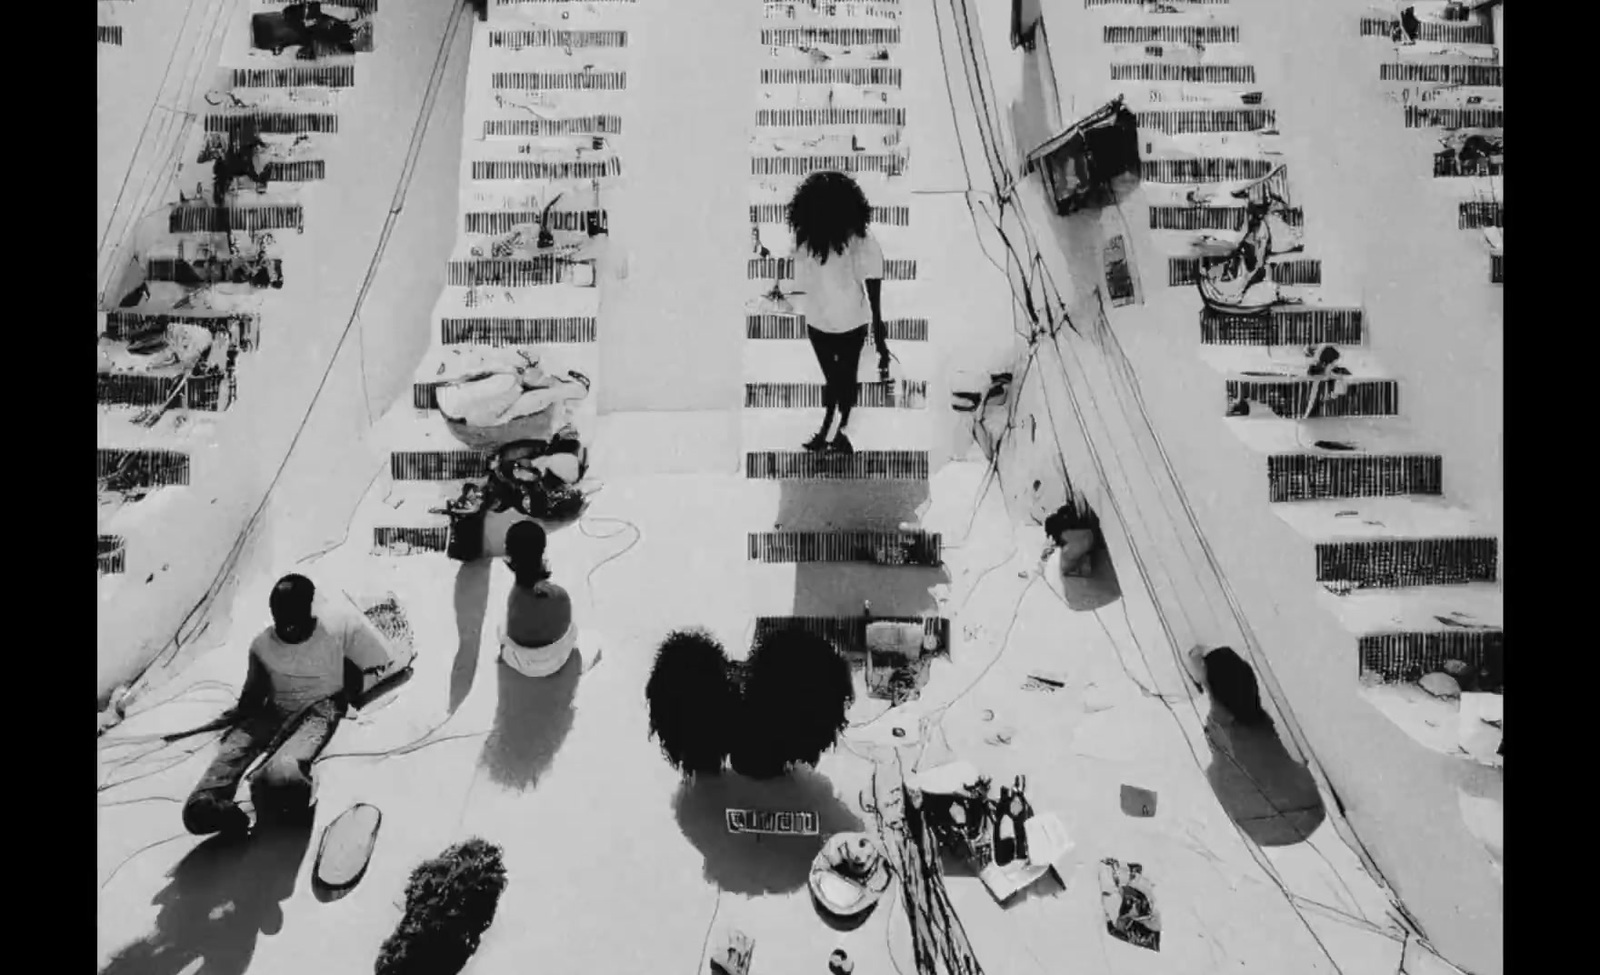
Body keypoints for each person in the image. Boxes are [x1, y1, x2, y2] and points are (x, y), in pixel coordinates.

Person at [182, 575, 394, 836]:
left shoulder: (333, 632)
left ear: (309, 609)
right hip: (274, 709)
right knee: (233, 751)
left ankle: (281, 786)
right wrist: (236, 719)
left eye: (294, 618)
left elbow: (365, 672)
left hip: (319, 710)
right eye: (281, 619)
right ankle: (208, 803)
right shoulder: (262, 646)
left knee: (283, 770)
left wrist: (344, 698)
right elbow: (253, 695)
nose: (288, 628)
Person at [786, 171, 888, 456]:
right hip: (836, 321)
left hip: (832, 322)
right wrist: (877, 321)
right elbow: (873, 278)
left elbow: (872, 277)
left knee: (838, 381)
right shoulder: (854, 238)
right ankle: (837, 430)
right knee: (841, 380)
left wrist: (877, 323)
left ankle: (833, 430)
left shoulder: (844, 238)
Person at [499, 520, 578, 677]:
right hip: (557, 662)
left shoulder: (514, 600)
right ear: (542, 553)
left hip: (522, 665)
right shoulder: (560, 596)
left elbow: (514, 635)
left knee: (500, 630)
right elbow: (567, 629)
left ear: (510, 557)